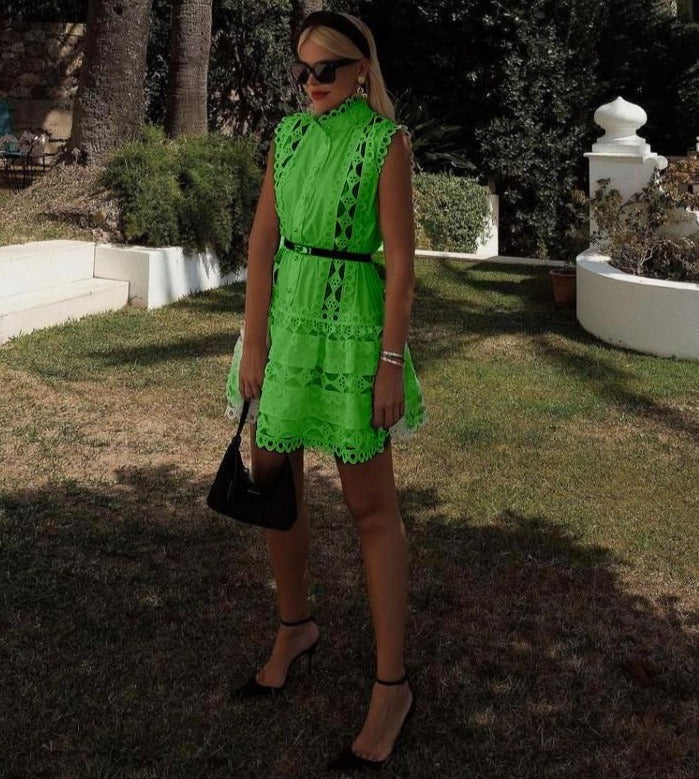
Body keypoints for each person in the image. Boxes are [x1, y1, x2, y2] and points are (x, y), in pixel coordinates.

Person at [224, 9, 427, 772]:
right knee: (272, 478)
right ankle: (294, 625)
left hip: (351, 333)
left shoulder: (385, 142)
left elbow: (401, 264)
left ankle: (390, 685)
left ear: (360, 70)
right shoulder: (286, 136)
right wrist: (254, 342)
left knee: (369, 507)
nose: (311, 82)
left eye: (326, 69)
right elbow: (260, 242)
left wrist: (388, 362)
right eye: (302, 69)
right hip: (286, 325)